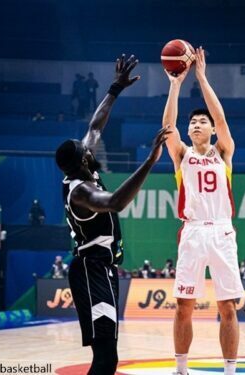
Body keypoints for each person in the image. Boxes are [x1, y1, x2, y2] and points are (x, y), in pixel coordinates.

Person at [55, 54, 169, 375]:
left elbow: (95, 125)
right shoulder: (81, 191)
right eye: (85, 150)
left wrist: (115, 89)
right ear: (81, 161)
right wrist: (150, 160)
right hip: (91, 270)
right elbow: (117, 202)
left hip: (103, 270)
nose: (90, 146)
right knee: (105, 360)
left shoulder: (83, 168)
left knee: (108, 359)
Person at [162, 46, 244, 375]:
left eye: (201, 122)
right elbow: (168, 127)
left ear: (210, 129)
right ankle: (181, 369)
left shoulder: (224, 152)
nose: (196, 124)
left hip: (222, 231)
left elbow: (221, 117)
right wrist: (175, 84)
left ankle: (230, 371)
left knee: (227, 307)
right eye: (192, 122)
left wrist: (201, 77)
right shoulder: (181, 155)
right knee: (183, 306)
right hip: (193, 231)